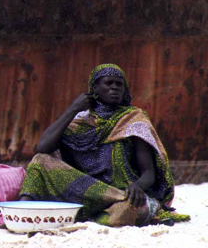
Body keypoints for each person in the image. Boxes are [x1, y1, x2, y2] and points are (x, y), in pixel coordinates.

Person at [19, 64, 189, 226]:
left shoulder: (134, 120)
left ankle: (90, 215)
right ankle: (19, 212)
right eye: (108, 83)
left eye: (119, 84)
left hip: (121, 195)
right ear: (95, 88)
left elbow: (149, 173)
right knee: (40, 161)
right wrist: (73, 109)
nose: (114, 87)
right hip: (87, 191)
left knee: (128, 210)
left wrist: (137, 186)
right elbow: (43, 147)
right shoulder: (81, 122)